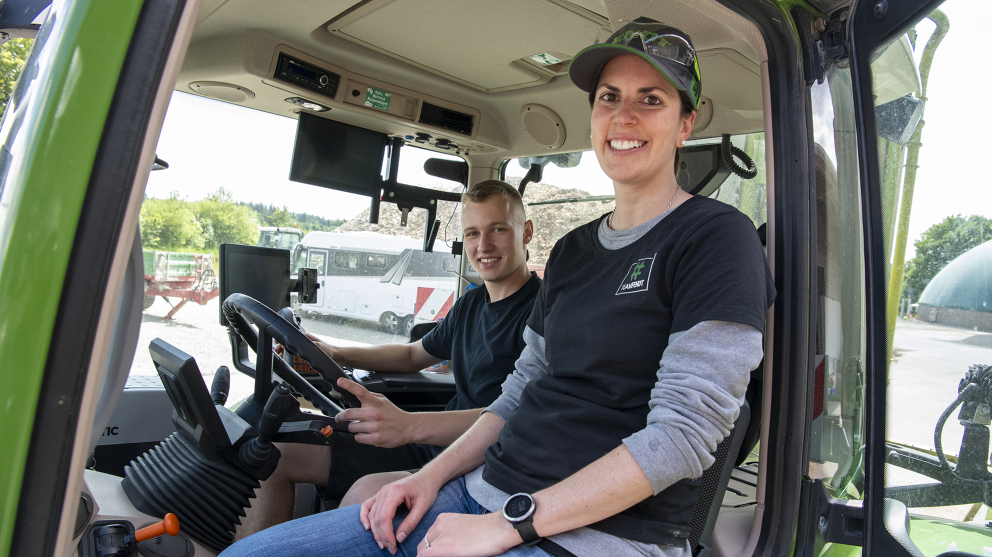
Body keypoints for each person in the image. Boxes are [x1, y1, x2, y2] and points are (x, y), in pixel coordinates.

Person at [222, 18, 774, 557]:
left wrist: (509, 526)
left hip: (596, 534)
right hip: (481, 495)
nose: (624, 116)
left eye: (650, 99)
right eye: (609, 97)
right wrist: (429, 479)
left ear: (685, 125)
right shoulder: (573, 252)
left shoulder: (715, 237)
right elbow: (520, 390)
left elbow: (685, 434)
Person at [236, 179, 542, 537]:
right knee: (273, 456)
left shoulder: (542, 313)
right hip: (432, 443)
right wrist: (334, 351)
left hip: (481, 462)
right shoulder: (472, 303)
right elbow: (414, 354)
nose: (483, 245)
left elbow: (515, 415)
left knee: (363, 498)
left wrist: (407, 425)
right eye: (472, 233)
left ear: (527, 232)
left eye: (498, 230)